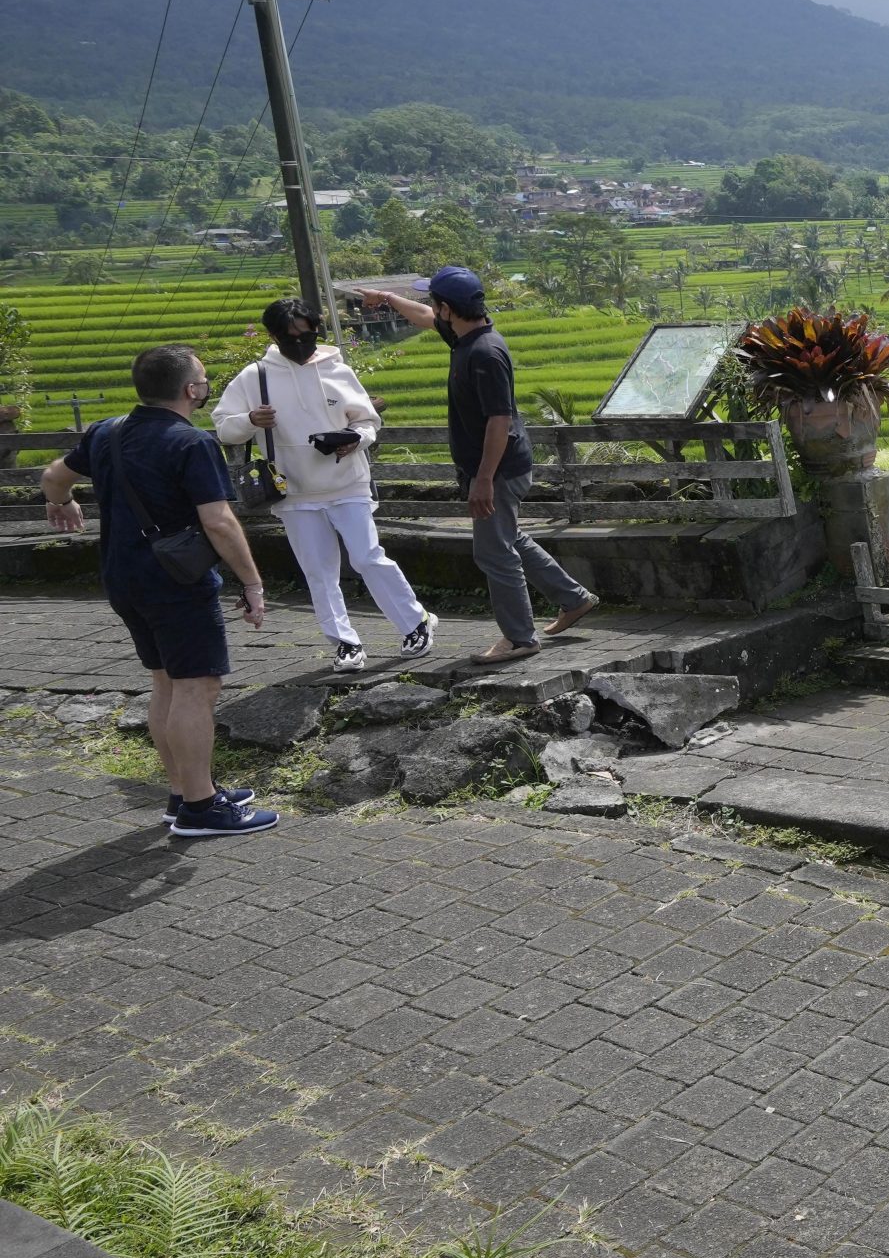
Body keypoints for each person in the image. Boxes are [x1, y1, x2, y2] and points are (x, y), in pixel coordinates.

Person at [39, 345, 278, 838]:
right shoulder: (192, 443)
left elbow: (53, 476)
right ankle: (200, 808)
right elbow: (219, 522)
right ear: (192, 390)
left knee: (166, 683)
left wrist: (61, 504)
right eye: (204, 379)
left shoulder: (107, 430)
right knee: (198, 687)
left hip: (122, 575)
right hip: (176, 581)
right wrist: (252, 582)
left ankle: (184, 792)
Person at [359, 267, 597, 664]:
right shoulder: (465, 334)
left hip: (498, 470)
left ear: (449, 308)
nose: (431, 311)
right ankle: (574, 599)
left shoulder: (484, 353)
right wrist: (385, 297)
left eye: (435, 304)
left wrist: (483, 479)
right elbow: (422, 317)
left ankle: (520, 638)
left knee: (493, 554)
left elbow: (498, 420)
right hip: (499, 467)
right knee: (508, 538)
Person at [212, 298, 437, 673]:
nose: (302, 341)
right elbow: (225, 427)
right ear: (274, 336)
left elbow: (367, 421)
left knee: (367, 556)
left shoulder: (337, 369)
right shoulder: (255, 377)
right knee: (318, 570)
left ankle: (416, 622)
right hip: (294, 490)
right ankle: (345, 642)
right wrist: (251, 419)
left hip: (347, 481)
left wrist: (356, 439)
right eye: (292, 335)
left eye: (308, 333)